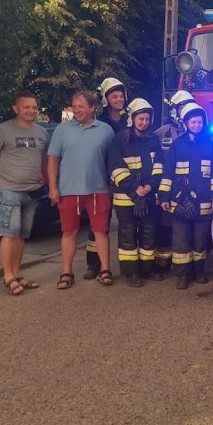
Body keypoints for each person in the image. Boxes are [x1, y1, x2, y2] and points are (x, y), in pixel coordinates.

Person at [0, 92, 49, 296]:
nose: (31, 111)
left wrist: (51, 184)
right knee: (9, 233)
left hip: (32, 191)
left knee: (21, 235)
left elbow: (44, 163)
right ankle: (8, 276)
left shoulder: (42, 133)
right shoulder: (1, 131)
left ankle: (17, 274)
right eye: (26, 107)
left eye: (34, 107)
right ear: (16, 109)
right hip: (7, 189)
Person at [47, 91, 115, 289]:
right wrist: (52, 187)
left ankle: (105, 270)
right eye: (74, 106)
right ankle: (66, 272)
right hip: (69, 191)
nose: (77, 110)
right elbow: (53, 160)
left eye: (81, 106)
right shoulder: (62, 130)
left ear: (92, 107)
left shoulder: (106, 130)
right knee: (69, 232)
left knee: (101, 232)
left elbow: (113, 161)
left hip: (98, 190)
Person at [159, 103, 213, 289]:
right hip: (180, 201)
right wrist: (164, 197)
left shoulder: (210, 146)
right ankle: (182, 275)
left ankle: (199, 272)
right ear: (186, 122)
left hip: (203, 202)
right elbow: (168, 173)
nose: (197, 125)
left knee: (199, 239)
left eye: (199, 122)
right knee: (180, 240)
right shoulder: (176, 145)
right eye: (193, 122)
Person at [108, 98, 163, 287]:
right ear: (132, 119)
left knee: (149, 232)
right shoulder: (119, 139)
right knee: (127, 233)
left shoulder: (153, 139)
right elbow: (116, 168)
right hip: (125, 198)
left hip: (148, 195)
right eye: (141, 119)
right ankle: (130, 272)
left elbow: (159, 166)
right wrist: (135, 189)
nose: (144, 123)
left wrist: (149, 187)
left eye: (147, 119)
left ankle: (147, 268)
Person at [84, 77, 129, 280]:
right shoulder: (99, 123)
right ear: (106, 99)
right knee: (98, 224)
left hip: (126, 180)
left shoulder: (132, 118)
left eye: (121, 96)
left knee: (127, 224)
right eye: (114, 96)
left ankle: (128, 265)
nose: (119, 99)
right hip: (103, 180)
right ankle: (93, 265)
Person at [152, 89, 196, 275]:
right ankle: (162, 263)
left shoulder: (199, 130)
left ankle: (189, 265)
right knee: (164, 225)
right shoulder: (162, 133)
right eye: (181, 107)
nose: (184, 110)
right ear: (175, 110)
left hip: (190, 189)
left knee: (190, 228)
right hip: (167, 186)